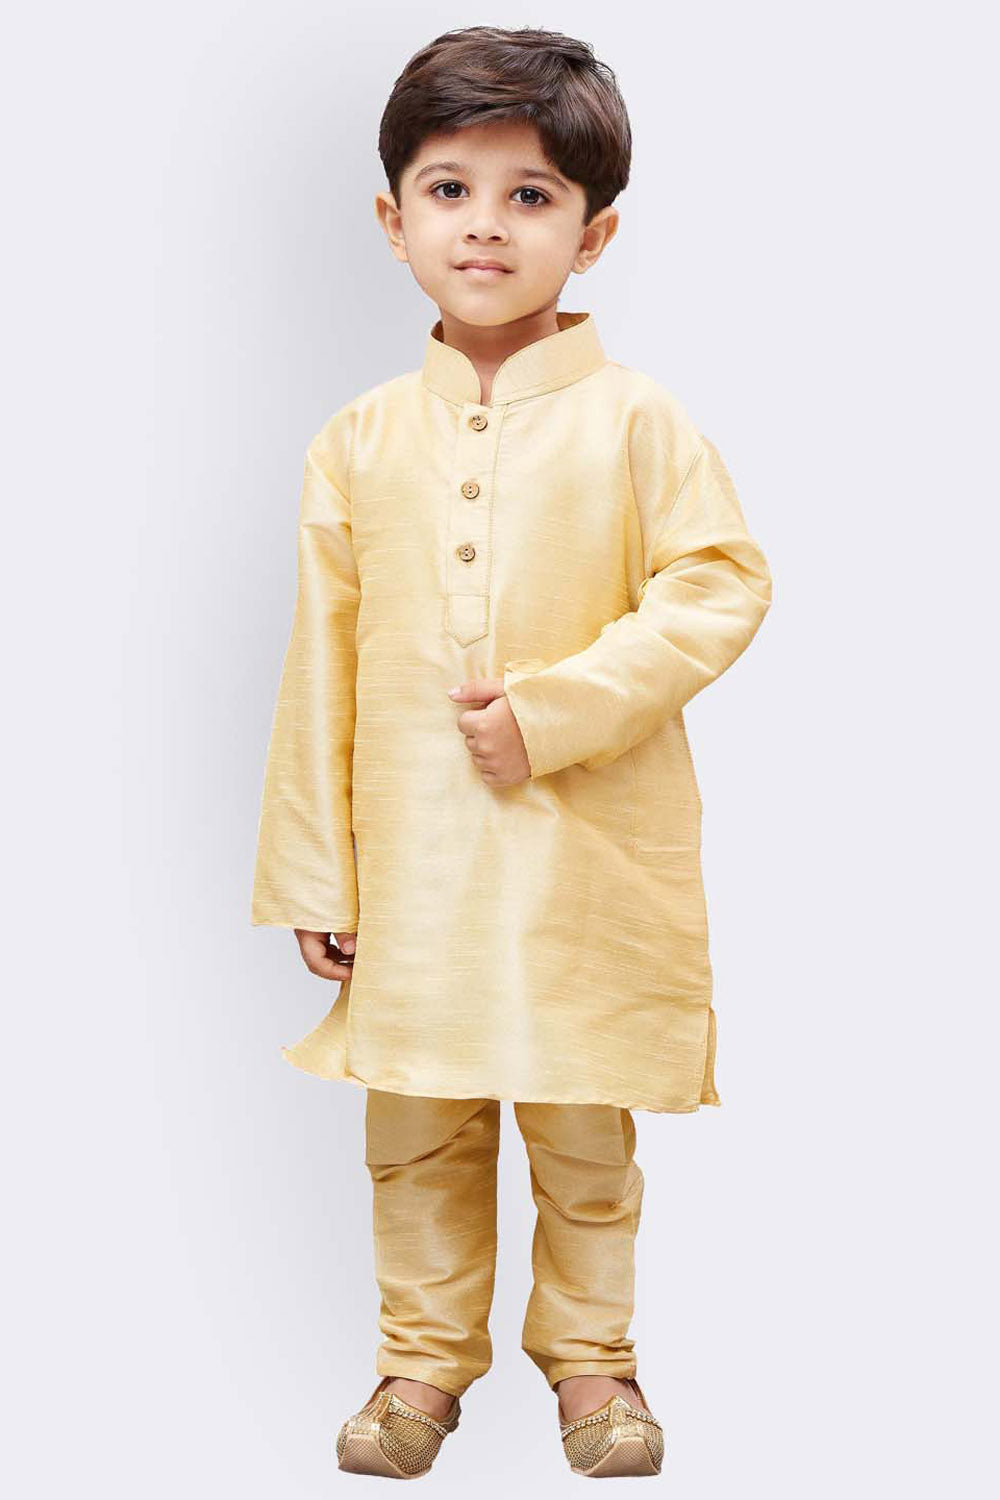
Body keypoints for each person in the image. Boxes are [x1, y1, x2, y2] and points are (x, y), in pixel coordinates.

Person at [251, 24, 772, 1480]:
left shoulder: (637, 421)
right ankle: (420, 1363)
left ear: (592, 234)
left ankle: (596, 1364)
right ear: (393, 219)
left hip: (583, 860)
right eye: (450, 190)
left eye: (530, 195)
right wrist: (318, 870)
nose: (485, 225)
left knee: (582, 1127)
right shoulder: (358, 442)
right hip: (413, 865)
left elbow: (721, 583)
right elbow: (320, 666)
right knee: (416, 1127)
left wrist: (555, 711)